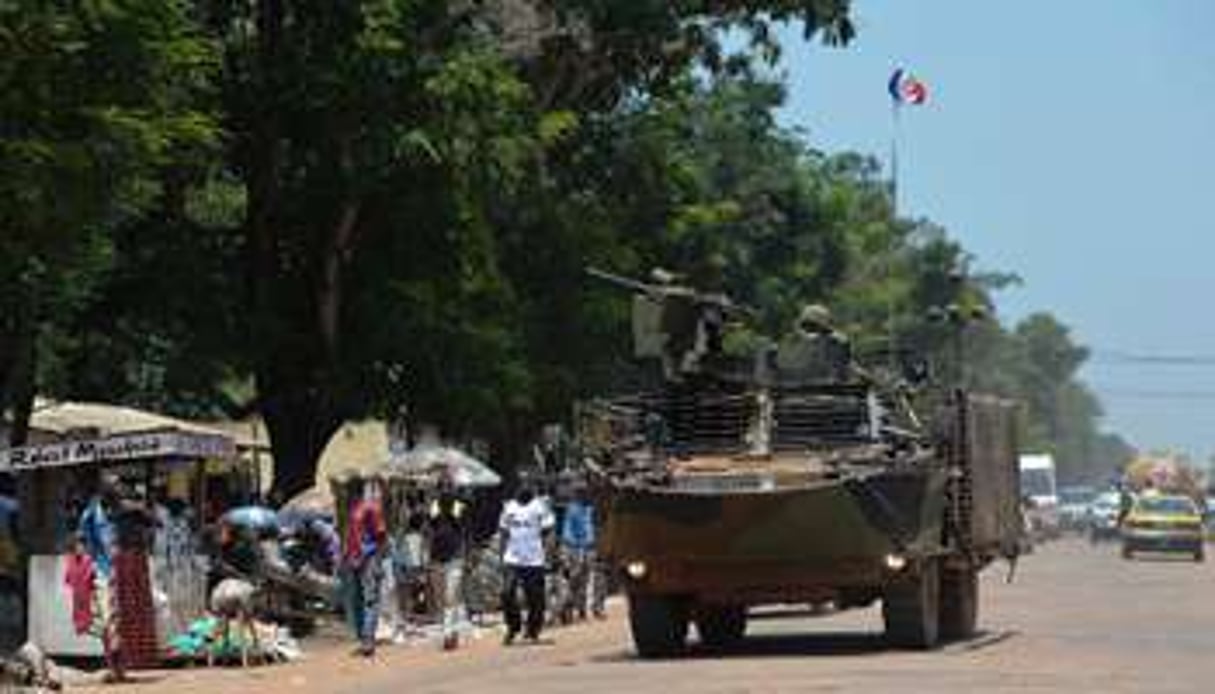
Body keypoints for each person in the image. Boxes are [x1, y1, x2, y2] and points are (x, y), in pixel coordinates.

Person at [498, 483, 555, 645]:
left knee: (535, 598)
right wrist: (501, 557)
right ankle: (513, 626)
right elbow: (503, 533)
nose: (524, 488)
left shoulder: (540, 507)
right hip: (512, 559)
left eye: (527, 484)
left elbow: (549, 532)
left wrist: (549, 555)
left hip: (534, 559)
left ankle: (533, 629)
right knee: (506, 592)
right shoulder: (509, 507)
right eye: (521, 484)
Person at [343, 478, 387, 657]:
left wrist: (376, 556)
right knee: (359, 600)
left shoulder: (370, 508)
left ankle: (368, 640)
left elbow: (381, 533)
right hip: (356, 560)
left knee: (370, 599)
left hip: (369, 559)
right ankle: (363, 639)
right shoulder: (354, 510)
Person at [429, 482, 467, 650]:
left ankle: (448, 634)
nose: (445, 491)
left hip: (455, 558)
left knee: (450, 597)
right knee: (441, 599)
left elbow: (460, 524)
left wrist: (452, 505)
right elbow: (431, 526)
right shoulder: (434, 506)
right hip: (437, 558)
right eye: (442, 488)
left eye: (448, 488)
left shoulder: (458, 506)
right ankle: (452, 630)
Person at [559, 486, 604, 620]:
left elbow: (597, 527)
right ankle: (571, 608)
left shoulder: (592, 509)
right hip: (577, 549)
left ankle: (589, 608)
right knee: (576, 579)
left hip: (591, 548)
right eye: (582, 494)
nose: (586, 496)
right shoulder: (572, 509)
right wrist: (573, 548)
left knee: (592, 579)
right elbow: (567, 532)